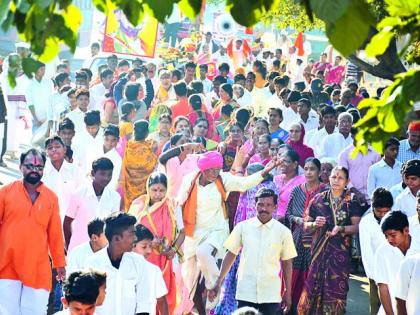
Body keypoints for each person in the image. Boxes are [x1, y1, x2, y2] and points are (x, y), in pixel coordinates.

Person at [177, 151, 278, 313]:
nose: (215, 173)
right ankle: (197, 307)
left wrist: (264, 172)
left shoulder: (223, 179)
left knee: (203, 252)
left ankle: (215, 288)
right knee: (190, 278)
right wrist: (180, 231)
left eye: (218, 169)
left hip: (216, 230)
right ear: (203, 169)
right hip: (193, 231)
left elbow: (244, 183)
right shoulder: (190, 180)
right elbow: (179, 203)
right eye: (212, 170)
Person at [209, 188, 297, 315]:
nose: (264, 208)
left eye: (268, 205)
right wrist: (218, 282)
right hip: (245, 292)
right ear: (255, 205)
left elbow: (287, 263)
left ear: (275, 207)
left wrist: (288, 292)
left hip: (270, 294)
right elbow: (231, 254)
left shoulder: (283, 232)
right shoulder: (242, 227)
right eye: (260, 204)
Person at [0, 148, 66, 315]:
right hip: (7, 264)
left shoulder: (51, 197)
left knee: (34, 312)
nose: (34, 171)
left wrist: (60, 263)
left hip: (37, 266)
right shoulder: (5, 193)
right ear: (21, 167)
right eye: (30, 166)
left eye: (39, 167)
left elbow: (55, 233)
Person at [297, 166, 362, 314]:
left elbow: (357, 227)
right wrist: (314, 224)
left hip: (340, 254)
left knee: (335, 287)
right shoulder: (319, 199)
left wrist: (342, 229)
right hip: (319, 251)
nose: (336, 181)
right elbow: (306, 225)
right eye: (334, 177)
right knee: (313, 285)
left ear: (347, 181)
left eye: (340, 178)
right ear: (328, 178)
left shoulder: (352, 201)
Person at [129, 172, 185, 313]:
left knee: (163, 294)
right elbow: (130, 231)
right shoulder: (139, 205)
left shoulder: (173, 205)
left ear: (167, 190)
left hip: (164, 258)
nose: (158, 194)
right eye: (154, 190)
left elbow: (182, 232)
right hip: (143, 257)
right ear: (148, 188)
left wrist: (174, 249)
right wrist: (149, 241)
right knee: (142, 294)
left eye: (161, 190)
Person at [84, 213, 153, 315]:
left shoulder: (139, 262)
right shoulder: (93, 264)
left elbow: (143, 303)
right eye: (132, 234)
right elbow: (87, 303)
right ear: (116, 239)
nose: (135, 239)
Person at [285, 157, 326, 313]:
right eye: (306, 169)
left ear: (319, 171)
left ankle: (309, 308)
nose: (308, 172)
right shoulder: (296, 190)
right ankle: (291, 305)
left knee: (312, 272)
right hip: (297, 237)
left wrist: (315, 224)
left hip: (318, 239)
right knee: (294, 271)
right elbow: (288, 214)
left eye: (312, 169)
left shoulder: (325, 191)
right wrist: (301, 221)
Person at [64, 157, 121, 254]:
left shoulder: (115, 197)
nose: (106, 178)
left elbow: (114, 226)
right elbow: (67, 222)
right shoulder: (79, 194)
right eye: (102, 174)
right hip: (79, 248)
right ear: (93, 173)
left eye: (109, 175)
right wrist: (70, 246)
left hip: (102, 251)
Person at [373, 211, 420, 315]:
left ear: (406, 231)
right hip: (390, 309)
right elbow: (382, 287)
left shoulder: (418, 247)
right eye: (386, 236)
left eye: (393, 235)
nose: (389, 239)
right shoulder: (382, 251)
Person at [359, 188, 393, 315]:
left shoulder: (396, 218)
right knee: (376, 304)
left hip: (395, 269)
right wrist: (375, 277)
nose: (383, 215)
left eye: (386, 211)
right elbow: (367, 253)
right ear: (373, 208)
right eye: (379, 212)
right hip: (376, 272)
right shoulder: (366, 222)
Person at [42, 135, 83, 220]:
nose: (54, 149)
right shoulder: (42, 172)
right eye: (50, 148)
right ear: (46, 152)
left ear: (64, 149)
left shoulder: (75, 171)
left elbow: (81, 195)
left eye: (57, 146)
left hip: (71, 219)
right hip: (47, 218)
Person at [121, 120, 158, 211]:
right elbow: (152, 165)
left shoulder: (129, 145)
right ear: (147, 133)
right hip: (144, 190)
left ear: (134, 131)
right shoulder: (150, 146)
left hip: (130, 189)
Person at [133, 224, 170, 315]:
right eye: (144, 247)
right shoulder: (121, 268)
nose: (149, 251)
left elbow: (162, 302)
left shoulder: (154, 271)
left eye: (150, 246)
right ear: (132, 245)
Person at [338, 129, 381, 201]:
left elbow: (378, 176)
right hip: (352, 197)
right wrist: (356, 193)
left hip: (372, 197)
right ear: (352, 136)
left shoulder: (375, 153)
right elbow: (342, 176)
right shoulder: (344, 154)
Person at [274, 150, 306, 220]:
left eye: (286, 161)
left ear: (295, 164)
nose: (282, 164)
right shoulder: (276, 179)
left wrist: (284, 218)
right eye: (281, 161)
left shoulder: (302, 181)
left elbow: (300, 206)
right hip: (272, 219)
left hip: (291, 221)